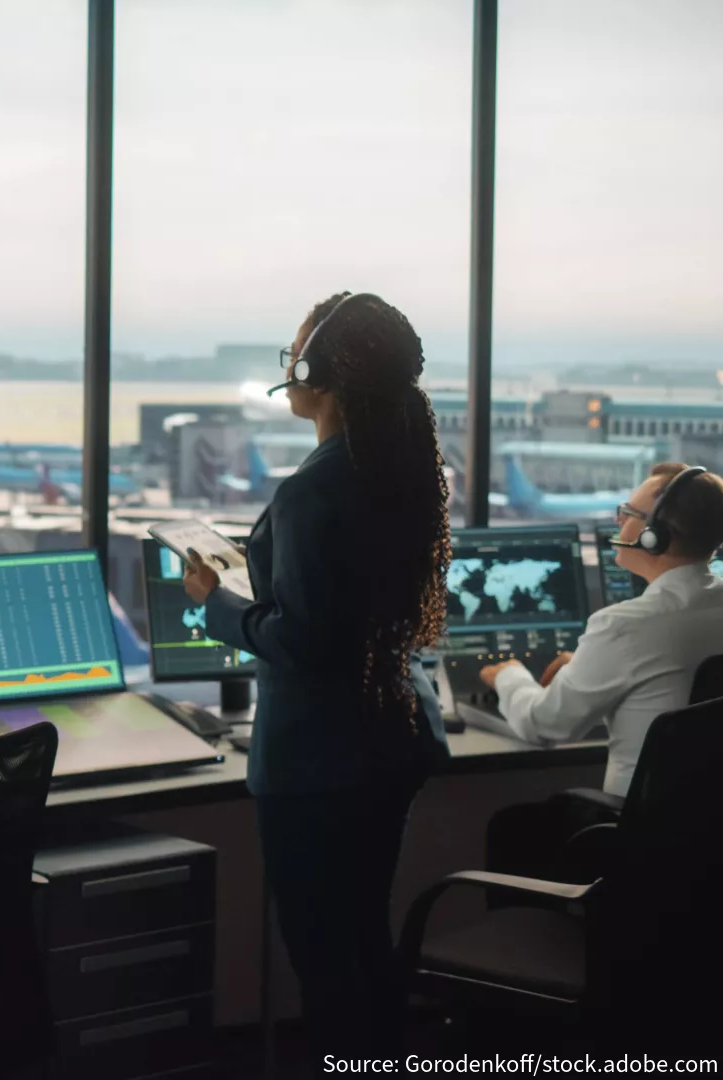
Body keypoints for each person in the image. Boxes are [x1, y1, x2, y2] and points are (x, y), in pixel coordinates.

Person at [183, 292, 450, 1057]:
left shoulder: (312, 490)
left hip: (318, 763)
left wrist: (217, 603)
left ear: (314, 372)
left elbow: (303, 641)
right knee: (365, 940)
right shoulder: (396, 472)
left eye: (291, 353)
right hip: (391, 740)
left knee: (327, 965)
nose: (285, 369)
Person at [477, 464, 723, 884]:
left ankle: (546, 944)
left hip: (640, 847)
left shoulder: (626, 624)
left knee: (512, 827)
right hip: (706, 846)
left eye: (628, 512)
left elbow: (545, 725)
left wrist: (508, 675)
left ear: (655, 536)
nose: (618, 521)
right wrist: (585, 667)